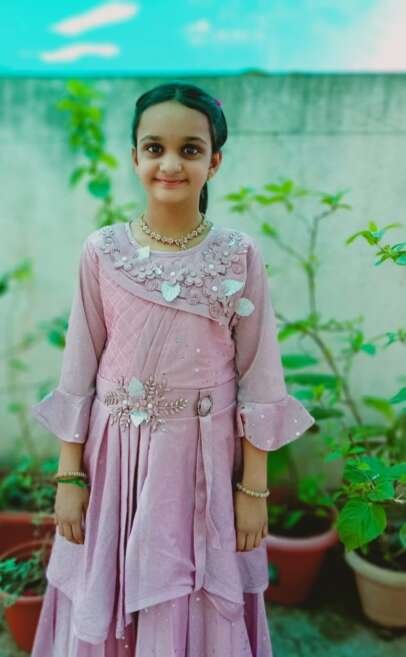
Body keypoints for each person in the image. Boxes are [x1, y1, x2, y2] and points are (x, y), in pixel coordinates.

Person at [30, 81, 315, 657]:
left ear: (215, 161)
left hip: (200, 462)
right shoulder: (102, 251)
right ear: (134, 156)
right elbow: (78, 368)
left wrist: (253, 489)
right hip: (114, 464)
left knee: (193, 592)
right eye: (154, 148)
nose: (170, 163)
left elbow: (260, 376)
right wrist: (69, 478)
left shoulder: (238, 255)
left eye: (190, 149)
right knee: (107, 591)